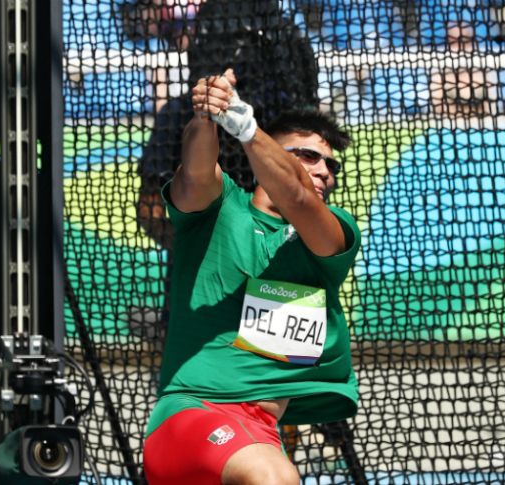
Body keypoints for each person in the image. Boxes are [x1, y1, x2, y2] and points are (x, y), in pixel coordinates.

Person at [142, 68, 360, 485]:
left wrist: (244, 124)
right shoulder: (220, 210)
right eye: (308, 156)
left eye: (330, 163)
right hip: (196, 417)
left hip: (260, 433)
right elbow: (196, 170)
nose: (323, 171)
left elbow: (295, 193)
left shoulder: (331, 232)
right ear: (268, 155)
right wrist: (209, 114)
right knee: (276, 479)